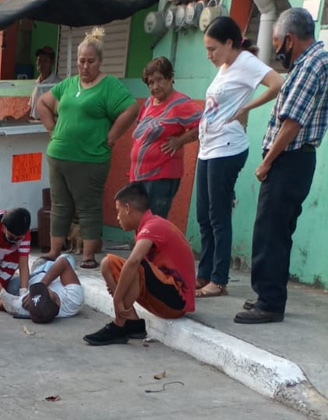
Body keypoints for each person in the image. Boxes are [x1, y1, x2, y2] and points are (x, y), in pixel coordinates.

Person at [235, 8, 328, 324]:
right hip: (295, 160)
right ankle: (268, 294)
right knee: (276, 231)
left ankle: (270, 303)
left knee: (270, 232)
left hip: (289, 159)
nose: (276, 50)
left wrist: (267, 162)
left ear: (289, 39)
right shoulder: (313, 62)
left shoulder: (311, 65)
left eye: (276, 43)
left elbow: (292, 123)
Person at [35, 27, 140, 269]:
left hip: (91, 159)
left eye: (90, 61)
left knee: (88, 207)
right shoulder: (69, 84)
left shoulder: (109, 85)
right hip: (59, 156)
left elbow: (131, 108)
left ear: (100, 62)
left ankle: (88, 255)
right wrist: (52, 130)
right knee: (60, 205)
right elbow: (43, 103)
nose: (85, 66)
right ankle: (54, 250)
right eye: (81, 61)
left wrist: (112, 136)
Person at [195, 17, 283, 298]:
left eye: (212, 49)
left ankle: (218, 279)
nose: (209, 55)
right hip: (208, 148)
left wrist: (248, 107)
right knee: (203, 215)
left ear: (229, 43)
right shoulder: (225, 67)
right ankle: (204, 273)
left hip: (227, 148)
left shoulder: (245, 62)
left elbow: (277, 83)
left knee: (218, 215)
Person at [84, 182, 196, 346]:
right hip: (164, 292)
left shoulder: (153, 225)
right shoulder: (144, 227)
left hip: (177, 301)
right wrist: (119, 286)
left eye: (118, 211)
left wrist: (118, 298)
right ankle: (132, 322)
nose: (117, 217)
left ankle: (119, 324)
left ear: (127, 208)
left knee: (135, 265)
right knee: (108, 264)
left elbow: (135, 262)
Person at [130, 56, 202, 218]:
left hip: (160, 176)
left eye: (159, 80)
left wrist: (180, 141)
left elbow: (205, 124)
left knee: (153, 222)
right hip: (139, 175)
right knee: (139, 221)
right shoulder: (149, 103)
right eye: (150, 82)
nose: (155, 86)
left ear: (170, 78)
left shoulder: (180, 103)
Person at [0, 254, 85, 324]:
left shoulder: (27, 307)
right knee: (68, 258)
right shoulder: (73, 300)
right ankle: (42, 263)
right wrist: (41, 285)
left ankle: (38, 265)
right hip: (49, 273)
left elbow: (1, 304)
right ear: (57, 301)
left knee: (11, 287)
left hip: (32, 279)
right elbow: (63, 263)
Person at [28, 46, 61, 121]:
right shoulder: (37, 83)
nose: (41, 64)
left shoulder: (57, 84)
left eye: (45, 61)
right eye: (39, 60)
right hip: (34, 126)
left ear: (52, 63)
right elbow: (31, 111)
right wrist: (15, 120)